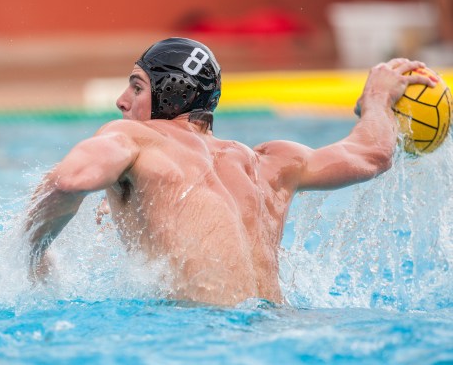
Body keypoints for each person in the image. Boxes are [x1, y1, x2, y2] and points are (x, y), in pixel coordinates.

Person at [24, 37, 435, 306]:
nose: (121, 101)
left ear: (172, 94)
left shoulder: (135, 139)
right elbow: (372, 154)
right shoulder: (270, 162)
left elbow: (69, 179)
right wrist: (377, 99)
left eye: (136, 86)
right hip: (282, 331)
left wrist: (34, 256)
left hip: (205, 341)